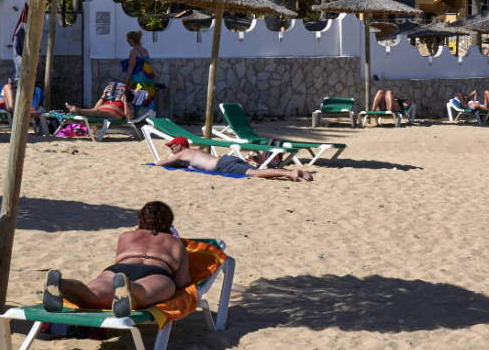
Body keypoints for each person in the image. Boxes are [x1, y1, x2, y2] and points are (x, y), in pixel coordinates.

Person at [43, 201, 190, 317]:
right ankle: (130, 289)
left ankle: (63, 284)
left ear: (140, 220)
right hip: (156, 270)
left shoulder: (126, 236)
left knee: (92, 294)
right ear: (169, 224)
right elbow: (182, 282)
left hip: (120, 269)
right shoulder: (176, 243)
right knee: (144, 293)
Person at [158, 136, 313, 181]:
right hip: (226, 160)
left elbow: (160, 163)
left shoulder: (181, 153)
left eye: (172, 146)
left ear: (179, 146)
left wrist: (173, 158)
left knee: (256, 173)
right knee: (259, 171)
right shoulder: (193, 151)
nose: (171, 148)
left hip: (224, 165)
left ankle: (291, 173)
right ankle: (289, 172)